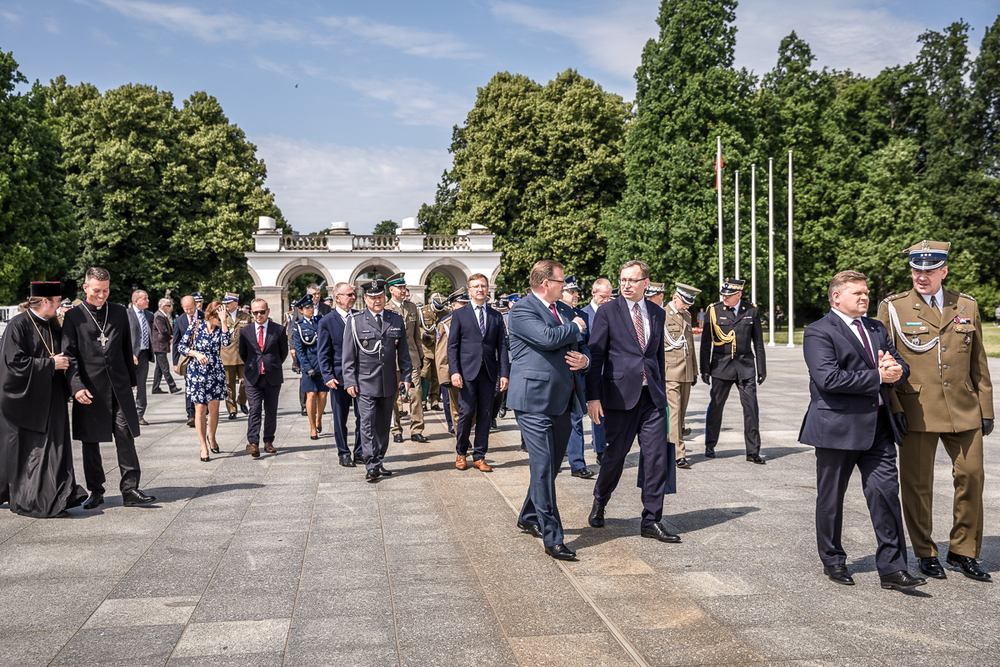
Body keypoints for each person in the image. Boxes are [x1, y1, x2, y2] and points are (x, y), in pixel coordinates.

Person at [877, 240, 995, 582]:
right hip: (917, 409)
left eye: (929, 271)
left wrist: (985, 406)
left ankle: (962, 550)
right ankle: (925, 552)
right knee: (916, 485)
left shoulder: (967, 305)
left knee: (972, 477)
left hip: (964, 406)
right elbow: (885, 360)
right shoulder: (894, 308)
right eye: (916, 270)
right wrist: (895, 405)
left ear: (943, 271)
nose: (921, 276)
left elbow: (979, 362)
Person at [801, 270, 925, 591]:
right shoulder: (818, 332)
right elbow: (828, 379)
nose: (864, 297)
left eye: (866, 292)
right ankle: (833, 559)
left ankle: (893, 568)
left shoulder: (876, 327)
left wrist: (897, 371)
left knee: (885, 495)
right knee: (831, 499)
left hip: (878, 428)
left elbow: (898, 363)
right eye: (857, 293)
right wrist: (877, 377)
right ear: (836, 297)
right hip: (836, 429)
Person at [587, 260, 678, 544]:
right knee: (615, 457)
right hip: (619, 398)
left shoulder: (656, 312)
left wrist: (661, 390)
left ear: (645, 283)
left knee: (656, 459)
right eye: (622, 280)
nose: (625, 285)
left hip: (651, 398)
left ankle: (651, 519)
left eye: (632, 280)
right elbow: (596, 356)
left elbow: (657, 357)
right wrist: (593, 397)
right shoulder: (608, 311)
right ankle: (600, 500)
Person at [508, 259, 590, 561]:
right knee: (542, 468)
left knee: (552, 466)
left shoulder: (566, 311)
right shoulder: (522, 310)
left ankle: (529, 514)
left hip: (564, 398)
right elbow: (547, 338)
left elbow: (583, 347)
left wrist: (585, 361)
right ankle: (553, 537)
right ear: (546, 284)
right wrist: (575, 326)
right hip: (532, 400)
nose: (565, 287)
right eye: (561, 282)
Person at [62, 267, 156, 509]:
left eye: (105, 290)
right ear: (85, 288)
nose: (101, 295)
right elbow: (70, 356)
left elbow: (126, 348)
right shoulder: (74, 317)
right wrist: (76, 387)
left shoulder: (119, 312)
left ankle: (130, 488)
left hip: (119, 386)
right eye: (96, 291)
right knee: (90, 442)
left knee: (125, 435)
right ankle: (96, 490)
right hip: (90, 388)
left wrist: (132, 381)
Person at [0, 282, 89, 517]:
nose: (60, 305)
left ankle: (59, 495)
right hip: (26, 402)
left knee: (56, 450)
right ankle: (33, 498)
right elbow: (12, 365)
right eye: (58, 301)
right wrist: (50, 364)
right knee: (32, 453)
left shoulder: (53, 326)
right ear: (46, 301)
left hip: (53, 398)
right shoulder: (17, 325)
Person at [342, 278, 413, 482]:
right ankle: (371, 463)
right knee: (366, 423)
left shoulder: (395, 319)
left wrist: (406, 376)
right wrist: (350, 381)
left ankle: (379, 459)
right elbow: (348, 355)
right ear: (365, 299)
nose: (377, 301)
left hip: (388, 381)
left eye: (380, 297)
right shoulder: (355, 321)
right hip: (364, 382)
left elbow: (404, 353)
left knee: (383, 425)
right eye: (373, 298)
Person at [700, 278, 767, 464]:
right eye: (723, 294)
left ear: (739, 295)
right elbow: (706, 344)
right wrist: (705, 369)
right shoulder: (714, 310)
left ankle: (753, 451)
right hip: (721, 366)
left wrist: (761, 368)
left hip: (745, 367)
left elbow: (758, 342)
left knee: (751, 408)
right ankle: (710, 444)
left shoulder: (751, 310)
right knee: (716, 407)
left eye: (728, 295)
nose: (724, 298)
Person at [448, 273, 510, 472]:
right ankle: (461, 452)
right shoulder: (459, 314)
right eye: (476, 286)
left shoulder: (495, 315)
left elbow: (502, 345)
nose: (480, 289)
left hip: (489, 372)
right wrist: (454, 372)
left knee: (485, 414)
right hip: (466, 373)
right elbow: (453, 346)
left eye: (483, 286)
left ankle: (480, 456)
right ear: (470, 291)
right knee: (466, 413)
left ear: (487, 289)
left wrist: (504, 373)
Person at [177, 300, 231, 462]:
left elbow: (227, 343)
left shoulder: (221, 328)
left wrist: (224, 323)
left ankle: (212, 437)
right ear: (211, 315)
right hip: (197, 372)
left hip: (215, 372)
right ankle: (203, 446)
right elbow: (181, 346)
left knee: (214, 409)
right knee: (200, 409)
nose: (222, 320)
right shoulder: (196, 325)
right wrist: (196, 354)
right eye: (220, 317)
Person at [318, 282, 362, 467]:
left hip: (360, 377)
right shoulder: (327, 321)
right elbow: (323, 352)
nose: (353, 297)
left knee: (363, 417)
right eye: (349, 294)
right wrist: (327, 376)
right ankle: (343, 452)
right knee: (340, 418)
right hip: (338, 378)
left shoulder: (360, 317)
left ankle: (360, 451)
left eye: (353, 294)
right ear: (337, 297)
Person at [239, 298, 288, 458]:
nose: (258, 315)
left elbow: (283, 353)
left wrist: (270, 364)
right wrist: (255, 366)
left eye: (261, 311)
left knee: (271, 411)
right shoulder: (245, 331)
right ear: (251, 313)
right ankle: (253, 442)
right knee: (254, 409)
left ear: (267, 311)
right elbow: (243, 353)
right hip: (253, 376)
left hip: (272, 375)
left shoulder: (278, 330)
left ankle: (268, 441)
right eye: (255, 312)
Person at [385, 273, 427, 443]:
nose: (403, 290)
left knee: (416, 394)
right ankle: (396, 430)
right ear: (391, 290)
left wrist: (421, 356)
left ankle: (417, 429)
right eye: (400, 288)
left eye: (404, 287)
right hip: (393, 360)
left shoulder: (412, 307)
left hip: (411, 358)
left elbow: (417, 335)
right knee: (394, 397)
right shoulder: (386, 309)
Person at [560, 276, 595, 479]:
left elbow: (587, 346)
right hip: (556, 377)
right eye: (571, 292)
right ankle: (553, 462)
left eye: (576, 292)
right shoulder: (552, 314)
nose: (575, 296)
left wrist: (585, 361)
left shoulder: (583, 316)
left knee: (576, 420)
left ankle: (577, 464)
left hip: (576, 377)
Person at [663, 283, 701, 469]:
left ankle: (667, 444)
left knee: (681, 414)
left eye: (689, 304)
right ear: (675, 297)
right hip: (670, 372)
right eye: (684, 302)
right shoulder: (662, 314)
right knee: (675, 413)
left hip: (685, 371)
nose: (687, 306)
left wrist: (694, 370)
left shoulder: (686, 315)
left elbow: (690, 346)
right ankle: (679, 454)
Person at [583, 278, 613, 464]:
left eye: (609, 296)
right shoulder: (583, 314)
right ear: (593, 293)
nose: (606, 300)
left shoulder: (612, 312)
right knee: (596, 412)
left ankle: (607, 444)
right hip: (591, 371)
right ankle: (600, 450)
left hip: (611, 370)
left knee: (610, 412)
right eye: (603, 296)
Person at [292, 294, 327, 440]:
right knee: (311, 395)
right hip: (310, 364)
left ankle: (318, 418)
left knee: (323, 395)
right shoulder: (298, 326)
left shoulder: (320, 320)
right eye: (307, 308)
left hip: (323, 363)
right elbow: (299, 350)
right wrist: (306, 367)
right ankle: (312, 427)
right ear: (301, 310)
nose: (310, 310)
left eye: (312, 307)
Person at [436, 289, 471, 435]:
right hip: (455, 371)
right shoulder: (446, 323)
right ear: (453, 305)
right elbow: (442, 352)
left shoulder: (474, 319)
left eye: (466, 303)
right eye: (461, 304)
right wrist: (445, 376)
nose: (465, 306)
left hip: (472, 370)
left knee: (472, 408)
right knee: (456, 407)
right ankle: (461, 436)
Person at [173, 295, 203, 427]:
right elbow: (176, 342)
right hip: (187, 359)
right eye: (186, 309)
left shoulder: (204, 316)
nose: (189, 312)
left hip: (203, 358)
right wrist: (175, 362)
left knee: (203, 385)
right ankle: (191, 414)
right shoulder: (180, 320)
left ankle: (202, 411)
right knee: (190, 386)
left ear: (196, 305)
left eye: (191, 308)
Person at [220, 292, 251, 420]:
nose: (226, 305)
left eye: (228, 303)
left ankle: (241, 400)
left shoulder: (246, 317)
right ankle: (232, 409)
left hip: (242, 355)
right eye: (225, 303)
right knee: (229, 384)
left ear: (236, 304)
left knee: (246, 382)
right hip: (227, 354)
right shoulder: (221, 317)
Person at [126, 289, 154, 426]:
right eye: (145, 298)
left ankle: (139, 415)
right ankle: (125, 414)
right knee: (128, 386)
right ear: (136, 301)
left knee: (141, 386)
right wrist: (130, 353)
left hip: (144, 354)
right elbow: (121, 337)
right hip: (129, 355)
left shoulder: (149, 315)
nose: (148, 301)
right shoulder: (126, 315)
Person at [418, 293, 449, 411]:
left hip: (439, 348)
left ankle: (435, 402)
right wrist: (422, 334)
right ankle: (423, 401)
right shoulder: (422, 311)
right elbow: (417, 326)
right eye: (436, 308)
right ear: (432, 303)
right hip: (426, 348)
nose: (438, 311)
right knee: (425, 375)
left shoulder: (445, 311)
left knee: (437, 376)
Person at [150, 298, 181, 395]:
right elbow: (162, 330)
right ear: (163, 307)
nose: (170, 307)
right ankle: (172, 386)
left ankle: (155, 388)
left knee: (159, 368)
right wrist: (170, 338)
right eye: (169, 305)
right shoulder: (159, 316)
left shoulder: (162, 315)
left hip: (161, 345)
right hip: (159, 345)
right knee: (165, 367)